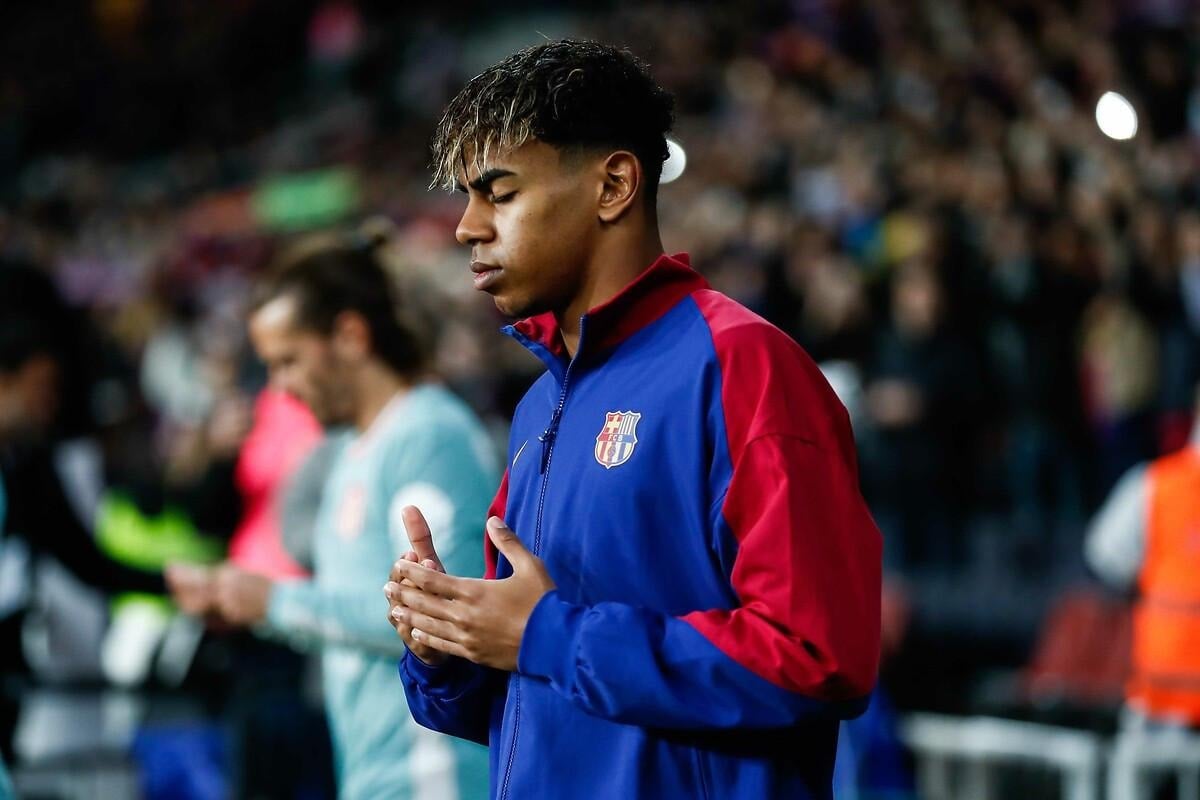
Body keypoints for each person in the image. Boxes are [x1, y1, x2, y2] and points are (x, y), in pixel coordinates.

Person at [385, 40, 881, 799]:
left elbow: (817, 659)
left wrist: (546, 634)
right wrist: (448, 645)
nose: (467, 227)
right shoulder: (539, 404)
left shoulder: (745, 367)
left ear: (614, 185)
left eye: (499, 193)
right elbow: (530, 692)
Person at [171, 232, 495, 799]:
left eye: (288, 361)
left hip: (433, 777)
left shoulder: (429, 435)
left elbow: (443, 620)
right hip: (373, 775)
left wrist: (273, 603)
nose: (280, 388)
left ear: (349, 336)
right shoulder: (349, 450)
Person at [1085, 387, 1200, 729]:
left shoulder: (1155, 484)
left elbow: (1105, 556)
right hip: (1159, 705)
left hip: (1157, 703)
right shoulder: (1156, 486)